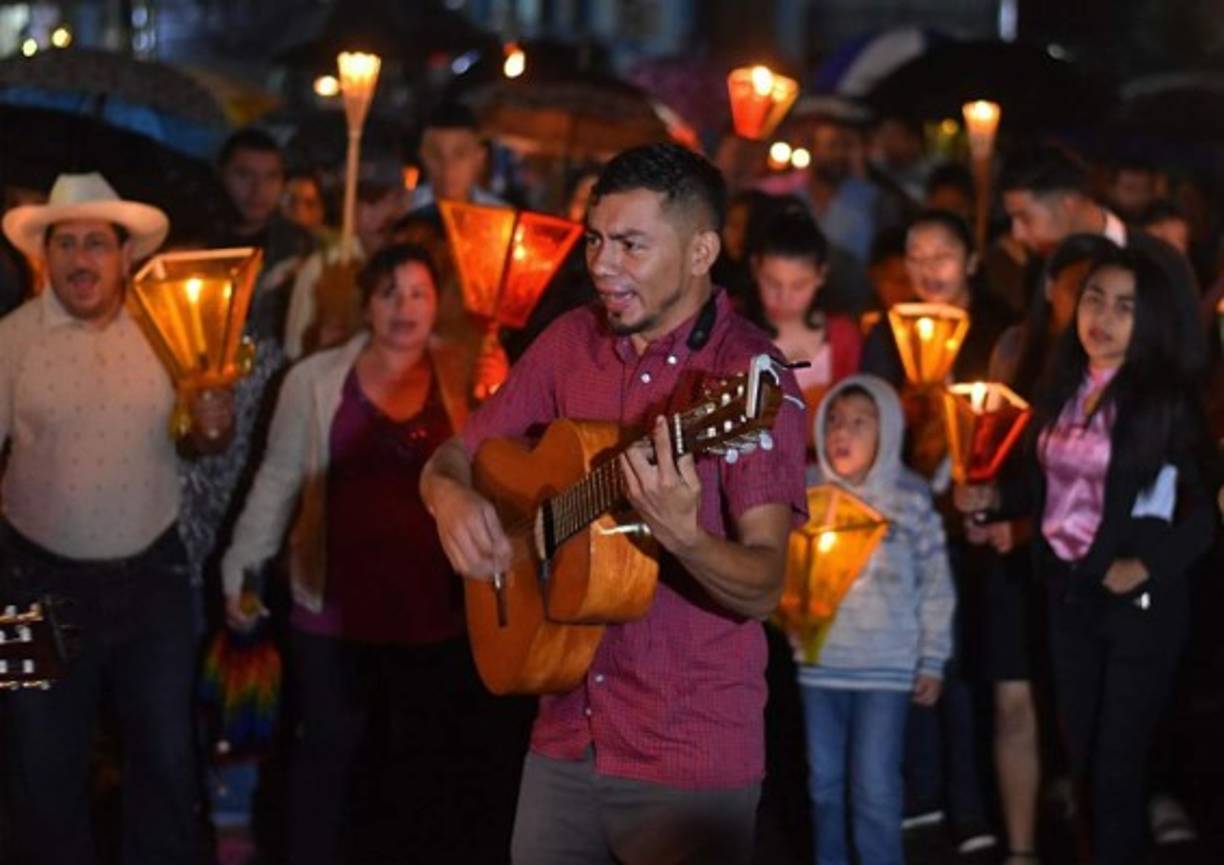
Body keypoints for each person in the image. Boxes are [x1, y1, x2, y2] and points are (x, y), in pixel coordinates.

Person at [420, 143, 808, 865]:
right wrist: (447, 497)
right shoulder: (572, 341)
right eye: (598, 240)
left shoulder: (748, 380)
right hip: (565, 725)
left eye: (631, 244)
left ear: (701, 252)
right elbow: (456, 454)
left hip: (687, 751)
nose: (601, 264)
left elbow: (763, 584)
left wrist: (685, 537)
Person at [222, 244, 485, 865]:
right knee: (326, 758)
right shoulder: (314, 381)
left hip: (432, 613)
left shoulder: (466, 376)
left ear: (437, 305)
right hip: (332, 612)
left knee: (414, 770)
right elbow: (278, 478)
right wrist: (240, 570)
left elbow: (498, 478)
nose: (404, 307)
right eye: (389, 292)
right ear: (366, 302)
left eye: (418, 293)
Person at [0, 172, 234, 865]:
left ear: (124, 255)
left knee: (165, 760)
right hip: (31, 583)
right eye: (65, 243)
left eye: (96, 243)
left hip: (152, 581)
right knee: (39, 767)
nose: (80, 258)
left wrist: (215, 426)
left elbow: (201, 437)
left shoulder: (168, 326)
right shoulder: (10, 339)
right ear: (44, 257)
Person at [955, 244, 1213, 865]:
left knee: (1114, 767)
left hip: (1138, 604)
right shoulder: (1062, 387)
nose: (1102, 316)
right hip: (1066, 594)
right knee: (1081, 763)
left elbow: (1203, 514)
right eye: (1094, 298)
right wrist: (997, 501)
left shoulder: (1164, 402)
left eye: (1124, 306)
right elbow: (1049, 487)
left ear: (1146, 318)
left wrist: (1144, 567)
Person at [795, 374, 955, 865]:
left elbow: (935, 584)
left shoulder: (909, 499)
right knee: (823, 783)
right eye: (836, 421)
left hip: (885, 667)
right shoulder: (808, 495)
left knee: (875, 785)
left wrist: (932, 658)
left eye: (861, 423)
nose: (843, 432)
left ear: (886, 433)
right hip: (820, 667)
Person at [998, 142, 1204, 378]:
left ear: (1068, 203)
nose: (1017, 233)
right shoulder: (1041, 264)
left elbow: (1190, 358)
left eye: (1024, 217)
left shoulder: (1160, 260)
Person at [747, 208, 861, 438]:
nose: (784, 297)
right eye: (772, 283)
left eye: (798, 286)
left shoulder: (842, 336)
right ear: (755, 269)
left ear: (821, 276)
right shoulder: (735, 330)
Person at [282, 156, 406, 359]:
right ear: (348, 207)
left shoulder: (413, 269)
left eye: (391, 200)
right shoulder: (322, 268)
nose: (381, 214)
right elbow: (295, 351)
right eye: (368, 203)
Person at [210, 128, 317, 343]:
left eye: (271, 177)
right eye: (244, 175)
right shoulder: (196, 243)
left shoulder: (300, 248)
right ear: (222, 174)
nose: (258, 189)